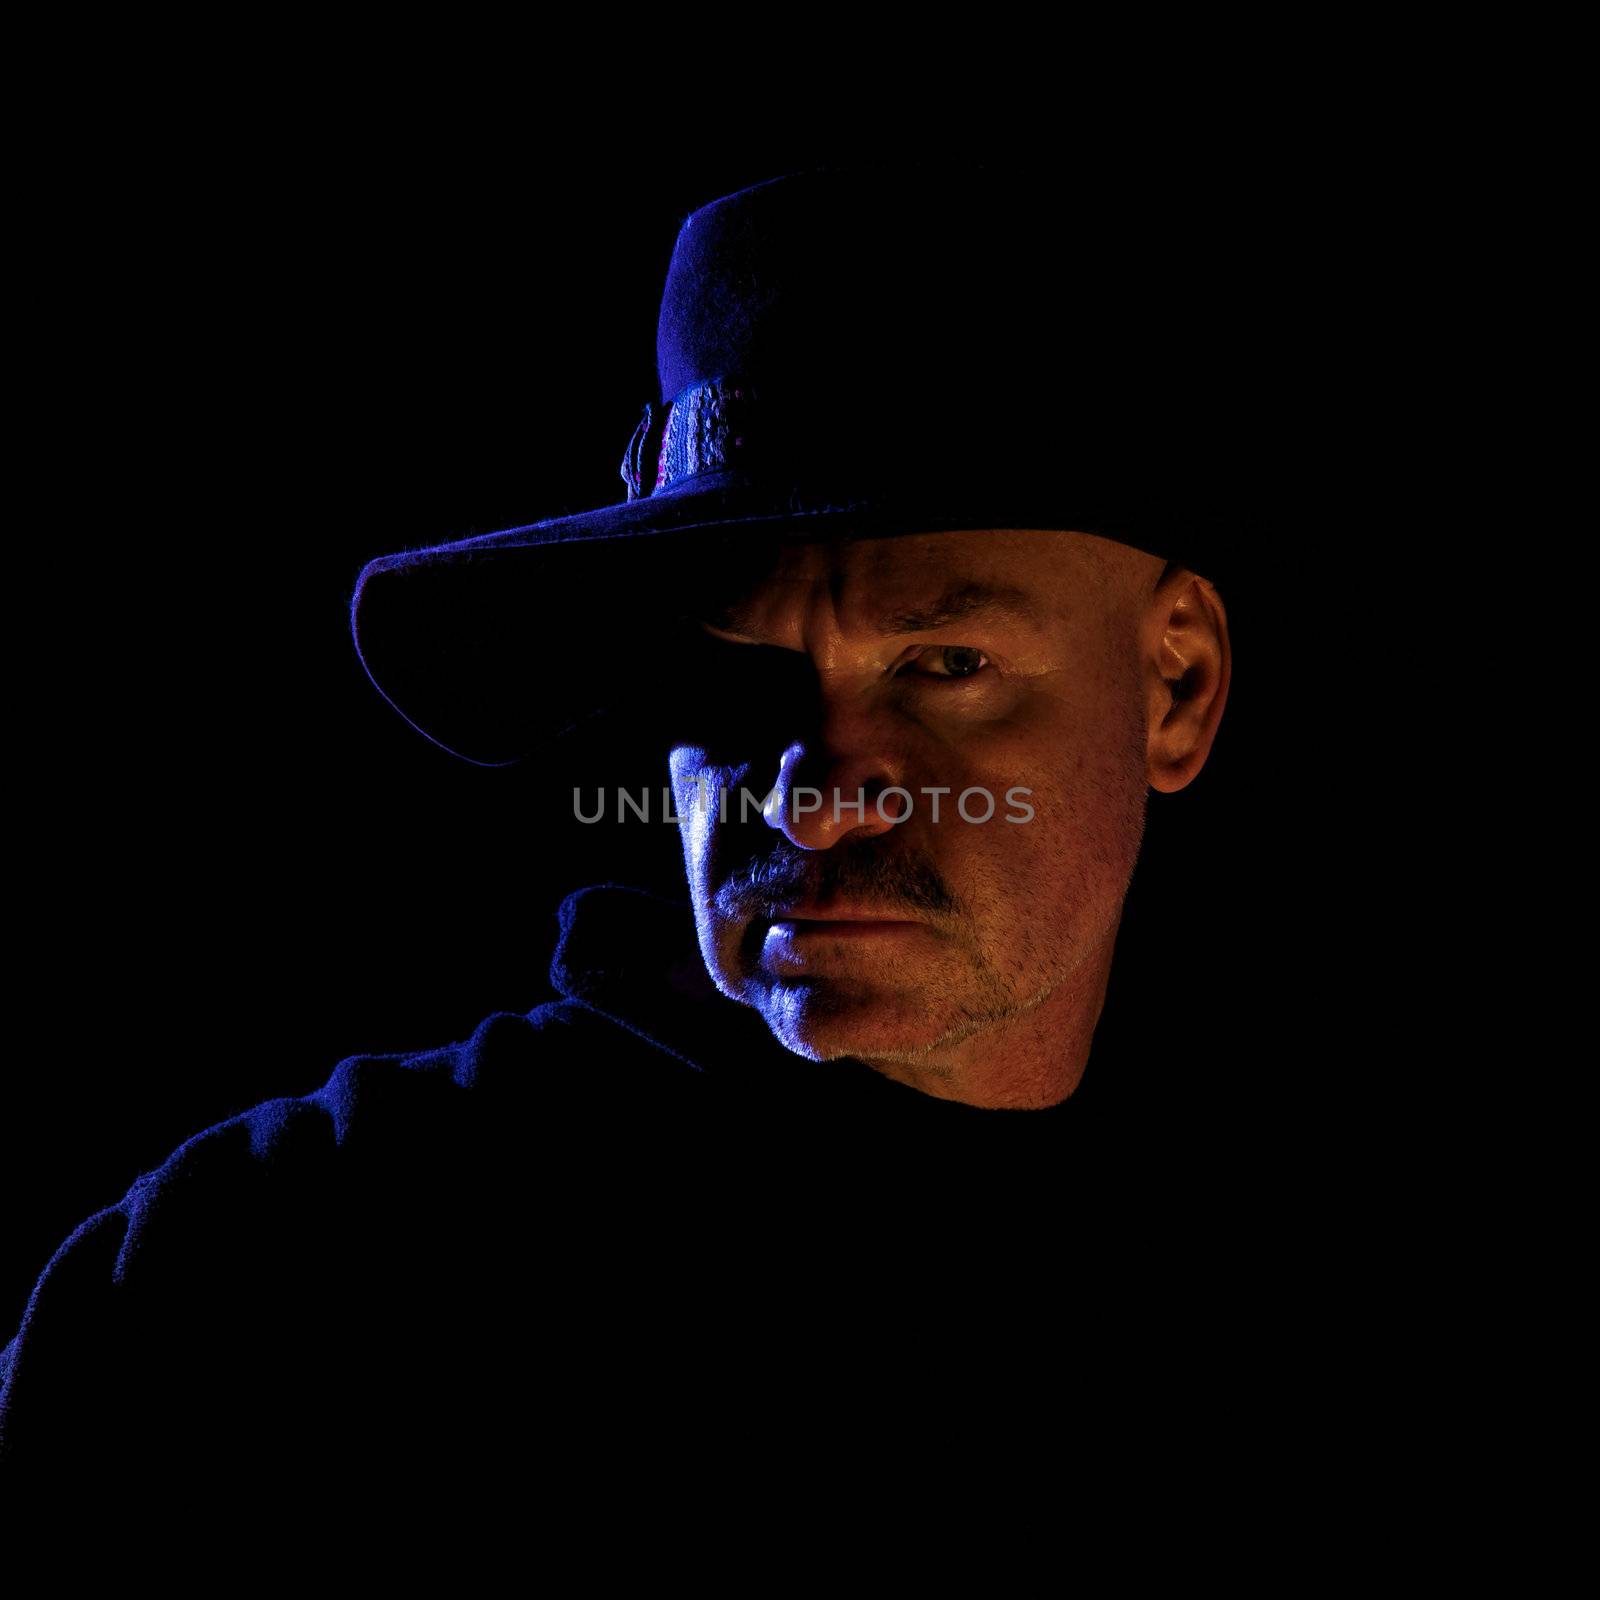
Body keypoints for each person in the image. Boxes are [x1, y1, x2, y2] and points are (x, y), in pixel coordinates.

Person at [0, 162, 1280, 1492]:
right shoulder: (283, 1272)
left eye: (943, 667)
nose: (815, 793)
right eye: (741, 672)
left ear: (1175, 688)